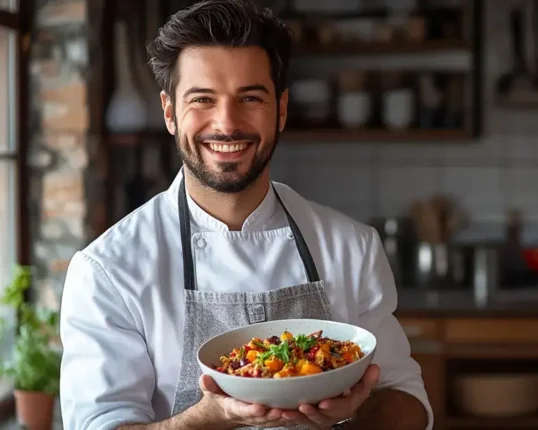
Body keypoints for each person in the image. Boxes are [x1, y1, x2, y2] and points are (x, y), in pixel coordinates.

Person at [58, 1, 432, 429]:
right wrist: (210, 415)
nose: (227, 122)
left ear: (282, 109)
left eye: (250, 97)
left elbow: (412, 409)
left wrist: (355, 407)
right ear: (168, 112)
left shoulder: (351, 247)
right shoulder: (109, 269)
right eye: (202, 99)